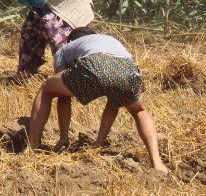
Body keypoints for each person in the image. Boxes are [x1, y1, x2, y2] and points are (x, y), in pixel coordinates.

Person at [28, 27, 168, 173]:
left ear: (72, 41)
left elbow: (63, 95)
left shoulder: (64, 49)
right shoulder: (110, 40)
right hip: (128, 69)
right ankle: (156, 163)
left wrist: (64, 137)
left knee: (46, 89)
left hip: (96, 63)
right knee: (138, 110)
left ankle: (34, 145)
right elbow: (114, 101)